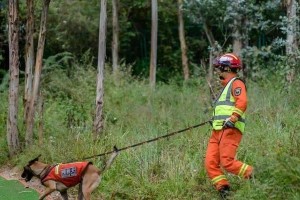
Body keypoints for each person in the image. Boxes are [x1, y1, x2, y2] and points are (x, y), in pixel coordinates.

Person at [205, 53, 253, 199]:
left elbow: (242, 102)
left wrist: (233, 119)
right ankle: (224, 190)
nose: (218, 72)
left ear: (227, 68)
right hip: (217, 131)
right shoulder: (225, 89)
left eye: (220, 69)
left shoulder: (236, 83)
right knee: (210, 163)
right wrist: (215, 121)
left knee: (227, 162)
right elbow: (223, 110)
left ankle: (253, 174)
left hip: (230, 129)